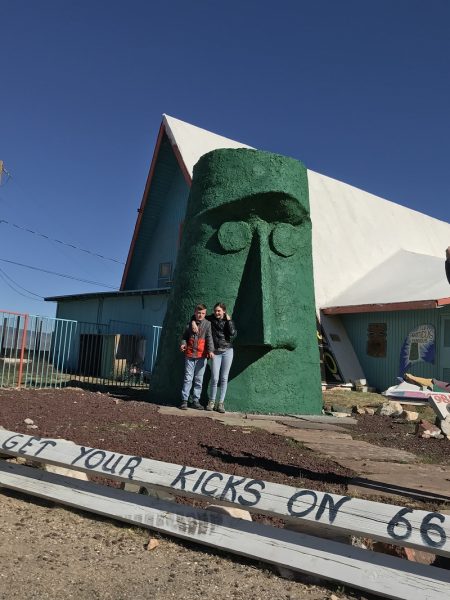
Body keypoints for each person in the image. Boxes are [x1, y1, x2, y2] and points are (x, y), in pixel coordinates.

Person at [192, 302, 236, 413]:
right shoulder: (210, 319)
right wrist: (193, 322)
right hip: (215, 352)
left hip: (228, 351)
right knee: (215, 378)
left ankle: (220, 403)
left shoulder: (228, 321)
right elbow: (198, 316)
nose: (217, 312)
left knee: (224, 378)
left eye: (219, 311)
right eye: (215, 310)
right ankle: (211, 402)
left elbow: (232, 333)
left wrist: (229, 321)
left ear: (224, 311)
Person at [180, 304, 214, 410]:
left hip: (201, 356)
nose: (200, 315)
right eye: (199, 313)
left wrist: (211, 351)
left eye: (203, 313)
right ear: (195, 313)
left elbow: (209, 338)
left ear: (205, 314)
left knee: (199, 379)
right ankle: (184, 400)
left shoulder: (207, 324)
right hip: (190, 354)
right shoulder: (189, 324)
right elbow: (184, 336)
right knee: (188, 378)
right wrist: (182, 343)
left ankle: (196, 400)